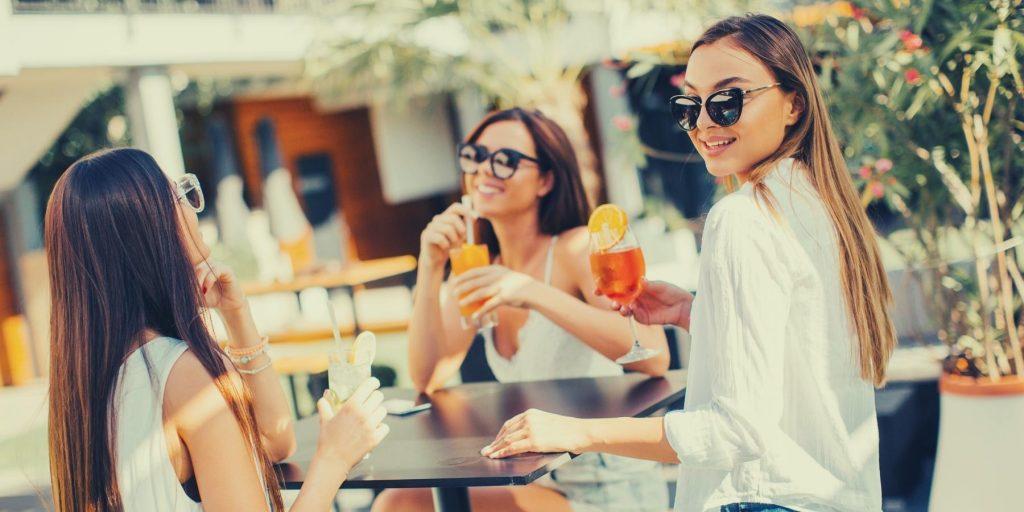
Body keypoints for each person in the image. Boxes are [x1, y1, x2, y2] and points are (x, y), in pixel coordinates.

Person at [480, 14, 898, 512]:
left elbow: (737, 431)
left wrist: (577, 432)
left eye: (727, 100)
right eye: (690, 105)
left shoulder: (743, 218)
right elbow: (800, 352)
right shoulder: (822, 207)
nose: (703, 123)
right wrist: (695, 313)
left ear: (794, 103)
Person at [46, 148, 389, 511]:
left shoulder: (87, 388)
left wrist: (237, 317)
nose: (192, 207)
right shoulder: (182, 376)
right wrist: (334, 458)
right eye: (178, 195)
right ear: (151, 233)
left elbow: (274, 441)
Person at [372, 108, 670, 511]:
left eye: (505, 161)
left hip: (609, 486)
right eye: (475, 156)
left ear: (545, 180)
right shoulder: (480, 266)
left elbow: (652, 355)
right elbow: (428, 376)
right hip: (540, 479)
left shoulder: (573, 249)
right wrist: (430, 265)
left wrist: (531, 292)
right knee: (401, 503)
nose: (483, 171)